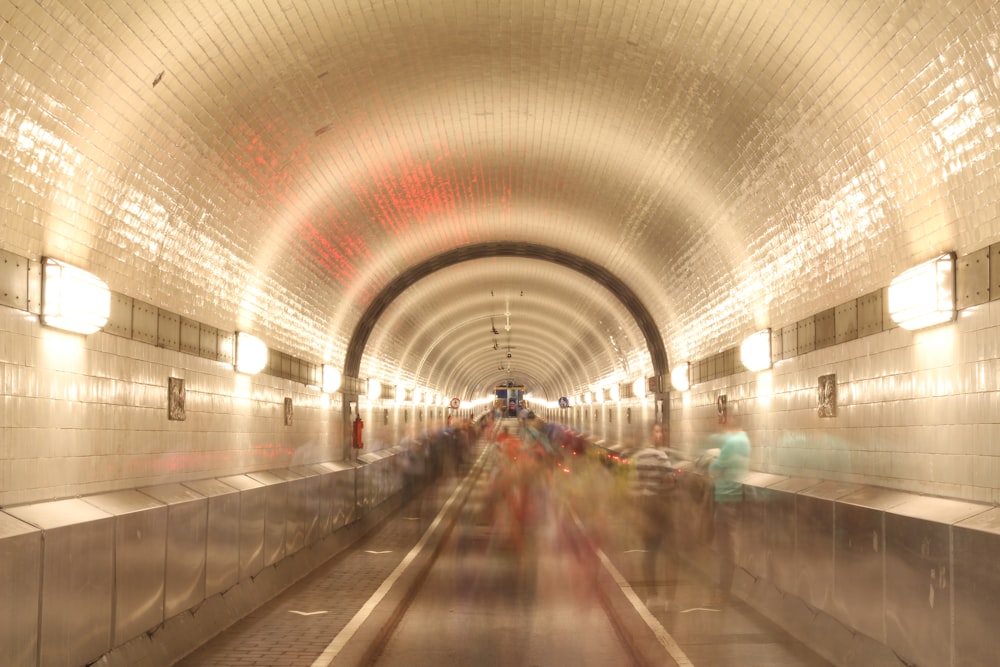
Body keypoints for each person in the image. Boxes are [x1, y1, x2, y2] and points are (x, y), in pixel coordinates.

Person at [629, 422, 675, 611]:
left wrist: (636, 511)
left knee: (649, 552)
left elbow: (634, 485)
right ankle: (669, 599)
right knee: (670, 552)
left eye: (661, 431)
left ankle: (652, 595)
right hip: (659, 507)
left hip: (644, 506)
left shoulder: (638, 457)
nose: (660, 435)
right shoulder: (661, 456)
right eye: (657, 431)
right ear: (650, 434)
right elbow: (670, 481)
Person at [707, 416, 751, 607]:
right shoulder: (745, 441)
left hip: (725, 498)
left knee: (725, 549)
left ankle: (723, 592)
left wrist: (714, 460)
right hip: (736, 497)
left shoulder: (732, 443)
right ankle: (723, 589)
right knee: (728, 548)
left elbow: (714, 468)